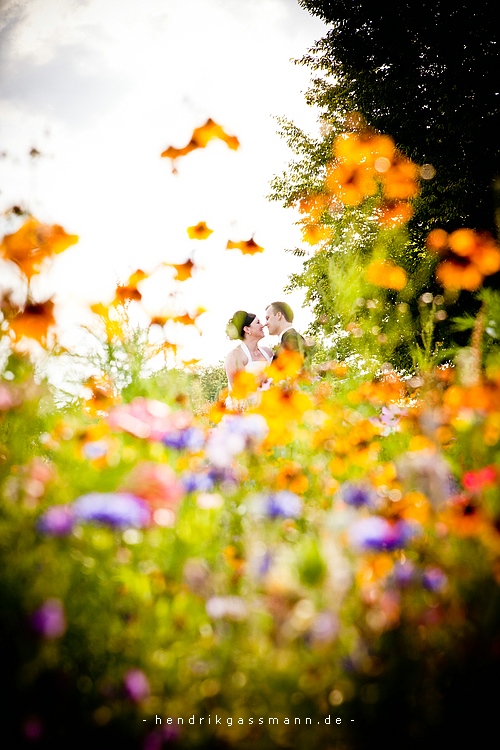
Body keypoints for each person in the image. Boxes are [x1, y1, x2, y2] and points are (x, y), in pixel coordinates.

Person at [224, 310, 273, 392]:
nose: (262, 325)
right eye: (258, 322)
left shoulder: (268, 352)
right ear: (247, 329)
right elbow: (240, 391)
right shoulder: (235, 356)